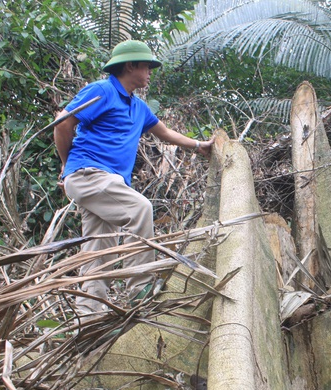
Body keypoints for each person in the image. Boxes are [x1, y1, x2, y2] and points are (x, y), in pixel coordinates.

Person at [54, 39, 214, 317]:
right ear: (130, 66)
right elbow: (63, 121)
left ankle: (88, 316)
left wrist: (199, 145)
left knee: (98, 249)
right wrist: (67, 165)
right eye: (147, 66)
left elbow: (165, 133)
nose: (150, 72)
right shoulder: (102, 91)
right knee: (141, 209)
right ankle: (140, 288)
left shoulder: (138, 107)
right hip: (89, 174)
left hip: (107, 182)